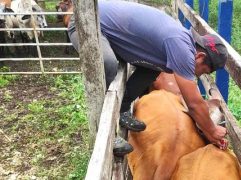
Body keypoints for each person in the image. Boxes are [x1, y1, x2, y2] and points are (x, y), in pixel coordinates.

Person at [67, 0, 228, 155]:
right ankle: (107, 133)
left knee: (154, 68)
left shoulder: (182, 41)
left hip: (109, 30)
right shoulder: (181, 48)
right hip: (87, 23)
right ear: (199, 57)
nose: (198, 75)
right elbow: (193, 103)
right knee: (107, 63)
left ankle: (122, 109)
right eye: (203, 71)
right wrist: (212, 130)